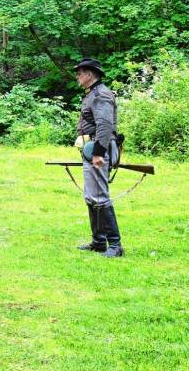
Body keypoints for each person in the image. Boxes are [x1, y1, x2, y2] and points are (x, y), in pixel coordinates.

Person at [74, 58, 124, 258]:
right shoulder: (92, 94)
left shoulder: (100, 94)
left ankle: (115, 245)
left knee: (100, 197)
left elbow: (104, 125)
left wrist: (97, 153)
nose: (77, 76)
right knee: (91, 197)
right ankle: (98, 242)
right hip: (93, 148)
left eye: (80, 73)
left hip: (99, 150)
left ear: (89, 74)